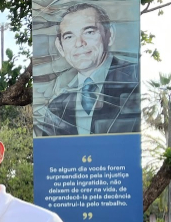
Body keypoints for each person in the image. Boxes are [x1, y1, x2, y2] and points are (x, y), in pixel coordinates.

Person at [34, 3, 140, 136]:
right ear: (60, 47)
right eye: (69, 36)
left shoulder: (137, 80)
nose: (79, 43)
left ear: (110, 34)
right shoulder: (56, 108)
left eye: (89, 32)